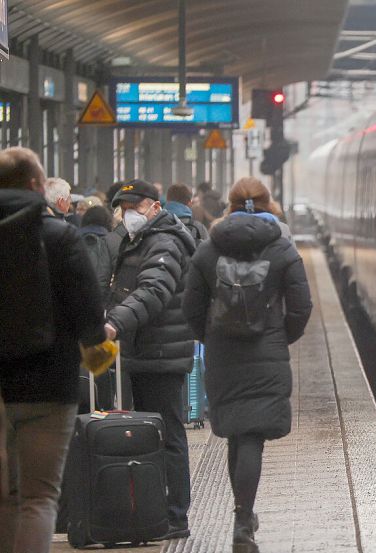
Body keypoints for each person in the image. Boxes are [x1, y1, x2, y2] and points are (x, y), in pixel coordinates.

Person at [182, 178, 312, 553]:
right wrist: (279, 336)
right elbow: (301, 307)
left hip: (223, 354)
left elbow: (191, 307)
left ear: (230, 204)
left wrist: (210, 337)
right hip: (266, 351)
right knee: (252, 435)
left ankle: (242, 516)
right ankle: (243, 521)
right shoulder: (282, 249)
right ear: (268, 203)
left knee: (237, 432)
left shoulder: (209, 250)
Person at [0, 147, 106, 553]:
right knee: (39, 497)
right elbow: (90, 318)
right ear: (34, 185)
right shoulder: (61, 236)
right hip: (51, 385)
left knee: (4, 496)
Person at [104, 179, 196, 540]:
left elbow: (154, 290)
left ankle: (175, 516)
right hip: (145, 351)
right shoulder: (139, 240)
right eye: (123, 208)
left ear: (155, 207)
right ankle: (157, 510)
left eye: (135, 206)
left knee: (168, 435)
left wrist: (115, 322)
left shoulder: (164, 242)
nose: (129, 214)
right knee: (153, 436)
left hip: (161, 352)